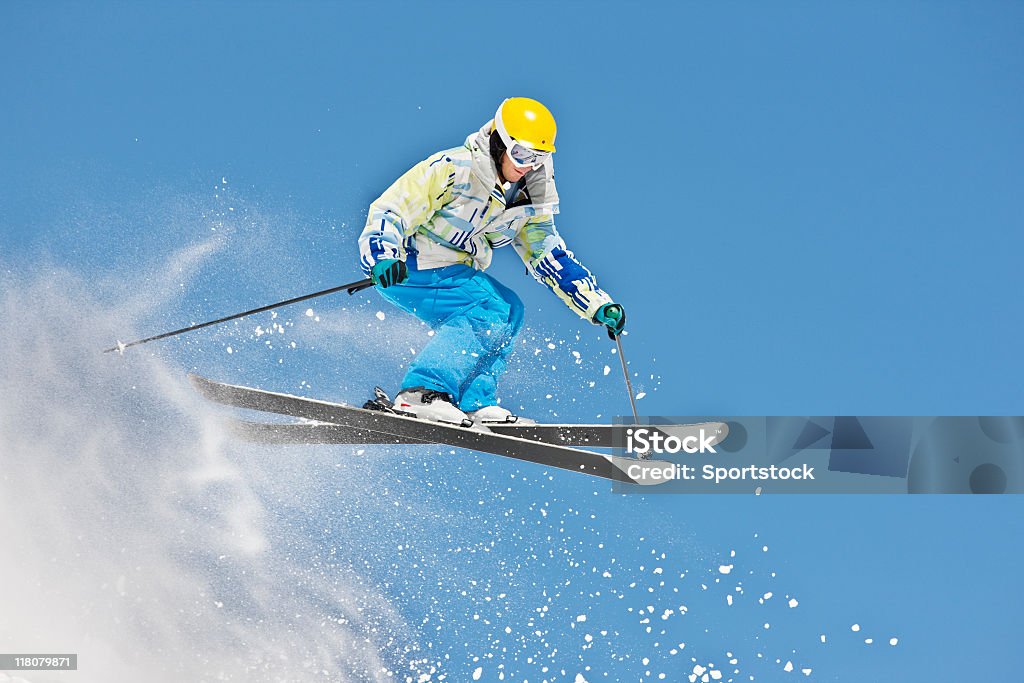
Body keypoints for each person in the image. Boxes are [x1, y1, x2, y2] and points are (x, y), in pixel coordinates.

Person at [358, 97, 625, 425]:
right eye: (522, 154)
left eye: (538, 158)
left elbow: (548, 253)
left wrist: (595, 302)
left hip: (454, 272)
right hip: (409, 265)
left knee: (510, 309)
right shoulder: (454, 168)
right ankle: (421, 393)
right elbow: (392, 208)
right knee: (487, 307)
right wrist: (383, 255)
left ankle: (474, 400)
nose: (528, 165)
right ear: (500, 143)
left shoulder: (527, 198)